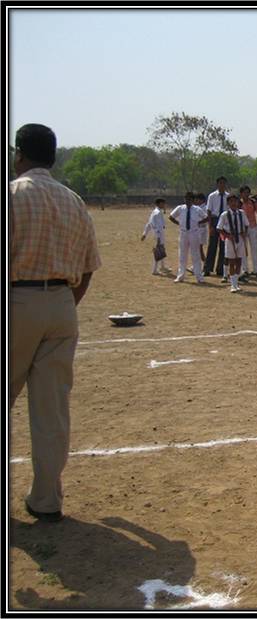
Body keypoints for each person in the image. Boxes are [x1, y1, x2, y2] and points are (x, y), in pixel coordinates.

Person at [10, 123, 102, 522]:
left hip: (17, 300)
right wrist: (64, 303)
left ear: (20, 154)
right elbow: (89, 265)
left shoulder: (13, 194)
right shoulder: (72, 200)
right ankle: (46, 500)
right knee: (52, 410)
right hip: (63, 304)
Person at [169, 192, 208, 283]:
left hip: (194, 233)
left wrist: (198, 223)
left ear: (193, 200)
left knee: (196, 255)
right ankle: (180, 275)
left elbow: (206, 218)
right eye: (186, 198)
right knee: (182, 255)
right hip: (183, 233)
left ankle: (199, 276)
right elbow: (171, 217)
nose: (187, 200)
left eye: (189, 199)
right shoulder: (180, 208)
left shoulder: (197, 209)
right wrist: (179, 223)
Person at [217, 194, 251, 293]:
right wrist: (227, 235)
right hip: (230, 239)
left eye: (235, 201)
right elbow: (219, 228)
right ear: (228, 203)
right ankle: (233, 284)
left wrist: (244, 232)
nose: (234, 203)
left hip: (240, 238)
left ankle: (236, 283)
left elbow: (246, 224)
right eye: (231, 201)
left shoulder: (241, 213)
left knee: (239, 261)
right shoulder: (224, 214)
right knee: (231, 261)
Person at [204, 176, 230, 280]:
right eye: (220, 183)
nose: (222, 185)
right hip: (215, 220)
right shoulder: (212, 196)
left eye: (224, 183)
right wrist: (210, 226)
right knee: (212, 246)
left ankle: (220, 269)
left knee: (223, 246)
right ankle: (207, 268)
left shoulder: (228, 196)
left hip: (224, 221)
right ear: (217, 184)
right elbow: (209, 211)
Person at [240, 185, 257, 277]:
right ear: (241, 194)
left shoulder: (253, 202)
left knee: (255, 248)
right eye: (244, 193)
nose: (246, 194)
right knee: (243, 249)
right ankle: (244, 269)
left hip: (253, 226)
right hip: (242, 228)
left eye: (247, 192)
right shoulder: (238, 203)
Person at [141, 198, 169, 275]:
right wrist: (159, 237)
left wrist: (145, 233)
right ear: (159, 204)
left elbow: (149, 224)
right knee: (158, 251)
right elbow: (157, 226)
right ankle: (154, 270)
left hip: (158, 234)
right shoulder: (157, 213)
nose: (164, 205)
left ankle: (162, 266)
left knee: (161, 249)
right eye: (163, 203)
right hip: (158, 234)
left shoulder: (156, 212)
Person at [194, 193, 209, 267]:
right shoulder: (200, 207)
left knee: (198, 248)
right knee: (198, 248)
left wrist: (196, 222)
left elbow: (205, 219)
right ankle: (204, 264)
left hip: (201, 229)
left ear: (201, 200)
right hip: (200, 229)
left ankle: (203, 264)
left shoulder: (204, 208)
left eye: (197, 200)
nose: (195, 201)